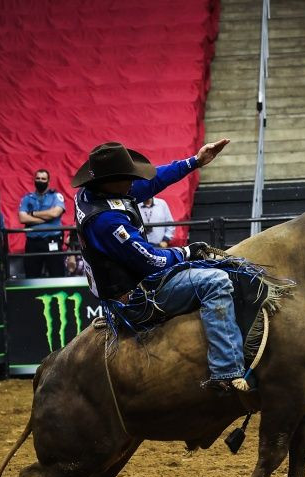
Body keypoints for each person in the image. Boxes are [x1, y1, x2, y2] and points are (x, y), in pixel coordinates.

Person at [73, 139, 250, 394]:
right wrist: (186, 251)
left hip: (127, 283)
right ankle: (226, 370)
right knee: (216, 282)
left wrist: (195, 161)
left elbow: (154, 181)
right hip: (135, 298)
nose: (134, 180)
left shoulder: (98, 194)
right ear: (111, 181)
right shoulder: (106, 221)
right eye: (128, 176)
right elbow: (150, 261)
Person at [18, 169, 66, 279]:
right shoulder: (27, 198)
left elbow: (55, 213)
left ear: (48, 182)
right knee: (31, 277)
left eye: (43, 179)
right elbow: (22, 218)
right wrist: (45, 218)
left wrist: (33, 213)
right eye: (38, 178)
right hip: (32, 243)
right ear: (34, 180)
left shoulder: (56, 196)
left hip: (52, 241)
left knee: (57, 275)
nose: (40, 181)